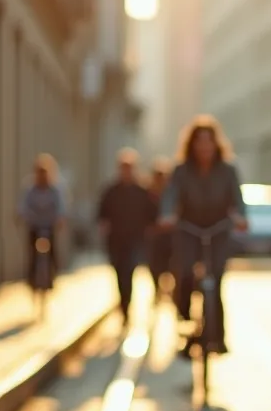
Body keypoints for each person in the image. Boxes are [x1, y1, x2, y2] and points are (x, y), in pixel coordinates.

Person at [158, 115, 248, 357]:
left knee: (216, 279)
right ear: (192, 145)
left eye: (208, 142)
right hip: (189, 229)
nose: (204, 147)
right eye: (200, 142)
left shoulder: (228, 170)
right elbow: (170, 196)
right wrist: (168, 215)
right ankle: (186, 323)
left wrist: (240, 217)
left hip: (218, 230)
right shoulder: (181, 170)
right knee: (185, 274)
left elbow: (238, 201)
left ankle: (218, 337)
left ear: (215, 144)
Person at [96, 148, 152, 324]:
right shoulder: (111, 191)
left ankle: (127, 306)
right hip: (115, 240)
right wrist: (104, 225)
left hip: (135, 239)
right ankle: (123, 304)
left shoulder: (141, 191)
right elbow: (101, 213)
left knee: (130, 271)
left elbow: (151, 214)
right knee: (119, 272)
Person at [18, 154, 67, 288]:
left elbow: (61, 206)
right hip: (35, 225)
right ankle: (31, 279)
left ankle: (53, 274)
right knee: (32, 253)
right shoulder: (30, 189)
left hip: (49, 225)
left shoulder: (55, 189)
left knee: (52, 252)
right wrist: (22, 215)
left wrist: (60, 218)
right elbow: (23, 206)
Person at [145, 157, 175, 300]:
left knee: (172, 265)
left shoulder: (172, 194)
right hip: (154, 237)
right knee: (154, 266)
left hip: (171, 237)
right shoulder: (147, 194)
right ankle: (158, 289)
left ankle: (170, 290)